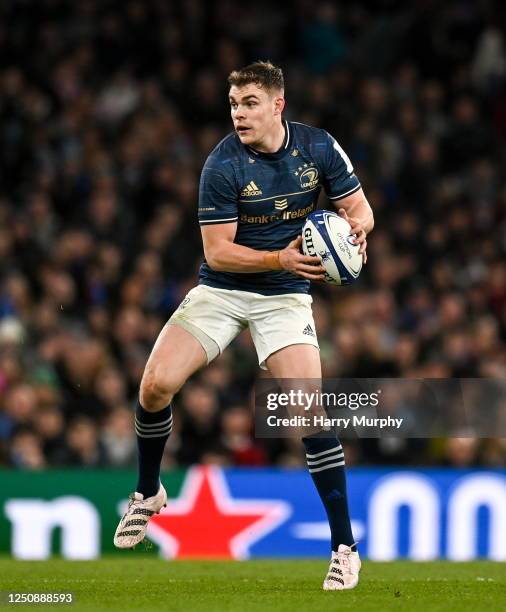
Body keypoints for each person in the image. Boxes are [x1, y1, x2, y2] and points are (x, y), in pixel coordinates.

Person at [114, 61, 374, 591]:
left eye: (250, 102)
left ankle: (344, 547)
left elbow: (360, 211)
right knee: (155, 384)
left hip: (285, 296)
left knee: (307, 408)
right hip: (225, 288)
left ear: (278, 105)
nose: (239, 114)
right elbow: (218, 251)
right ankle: (148, 491)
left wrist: (355, 235)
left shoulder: (319, 148)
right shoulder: (222, 165)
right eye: (234, 104)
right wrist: (278, 258)